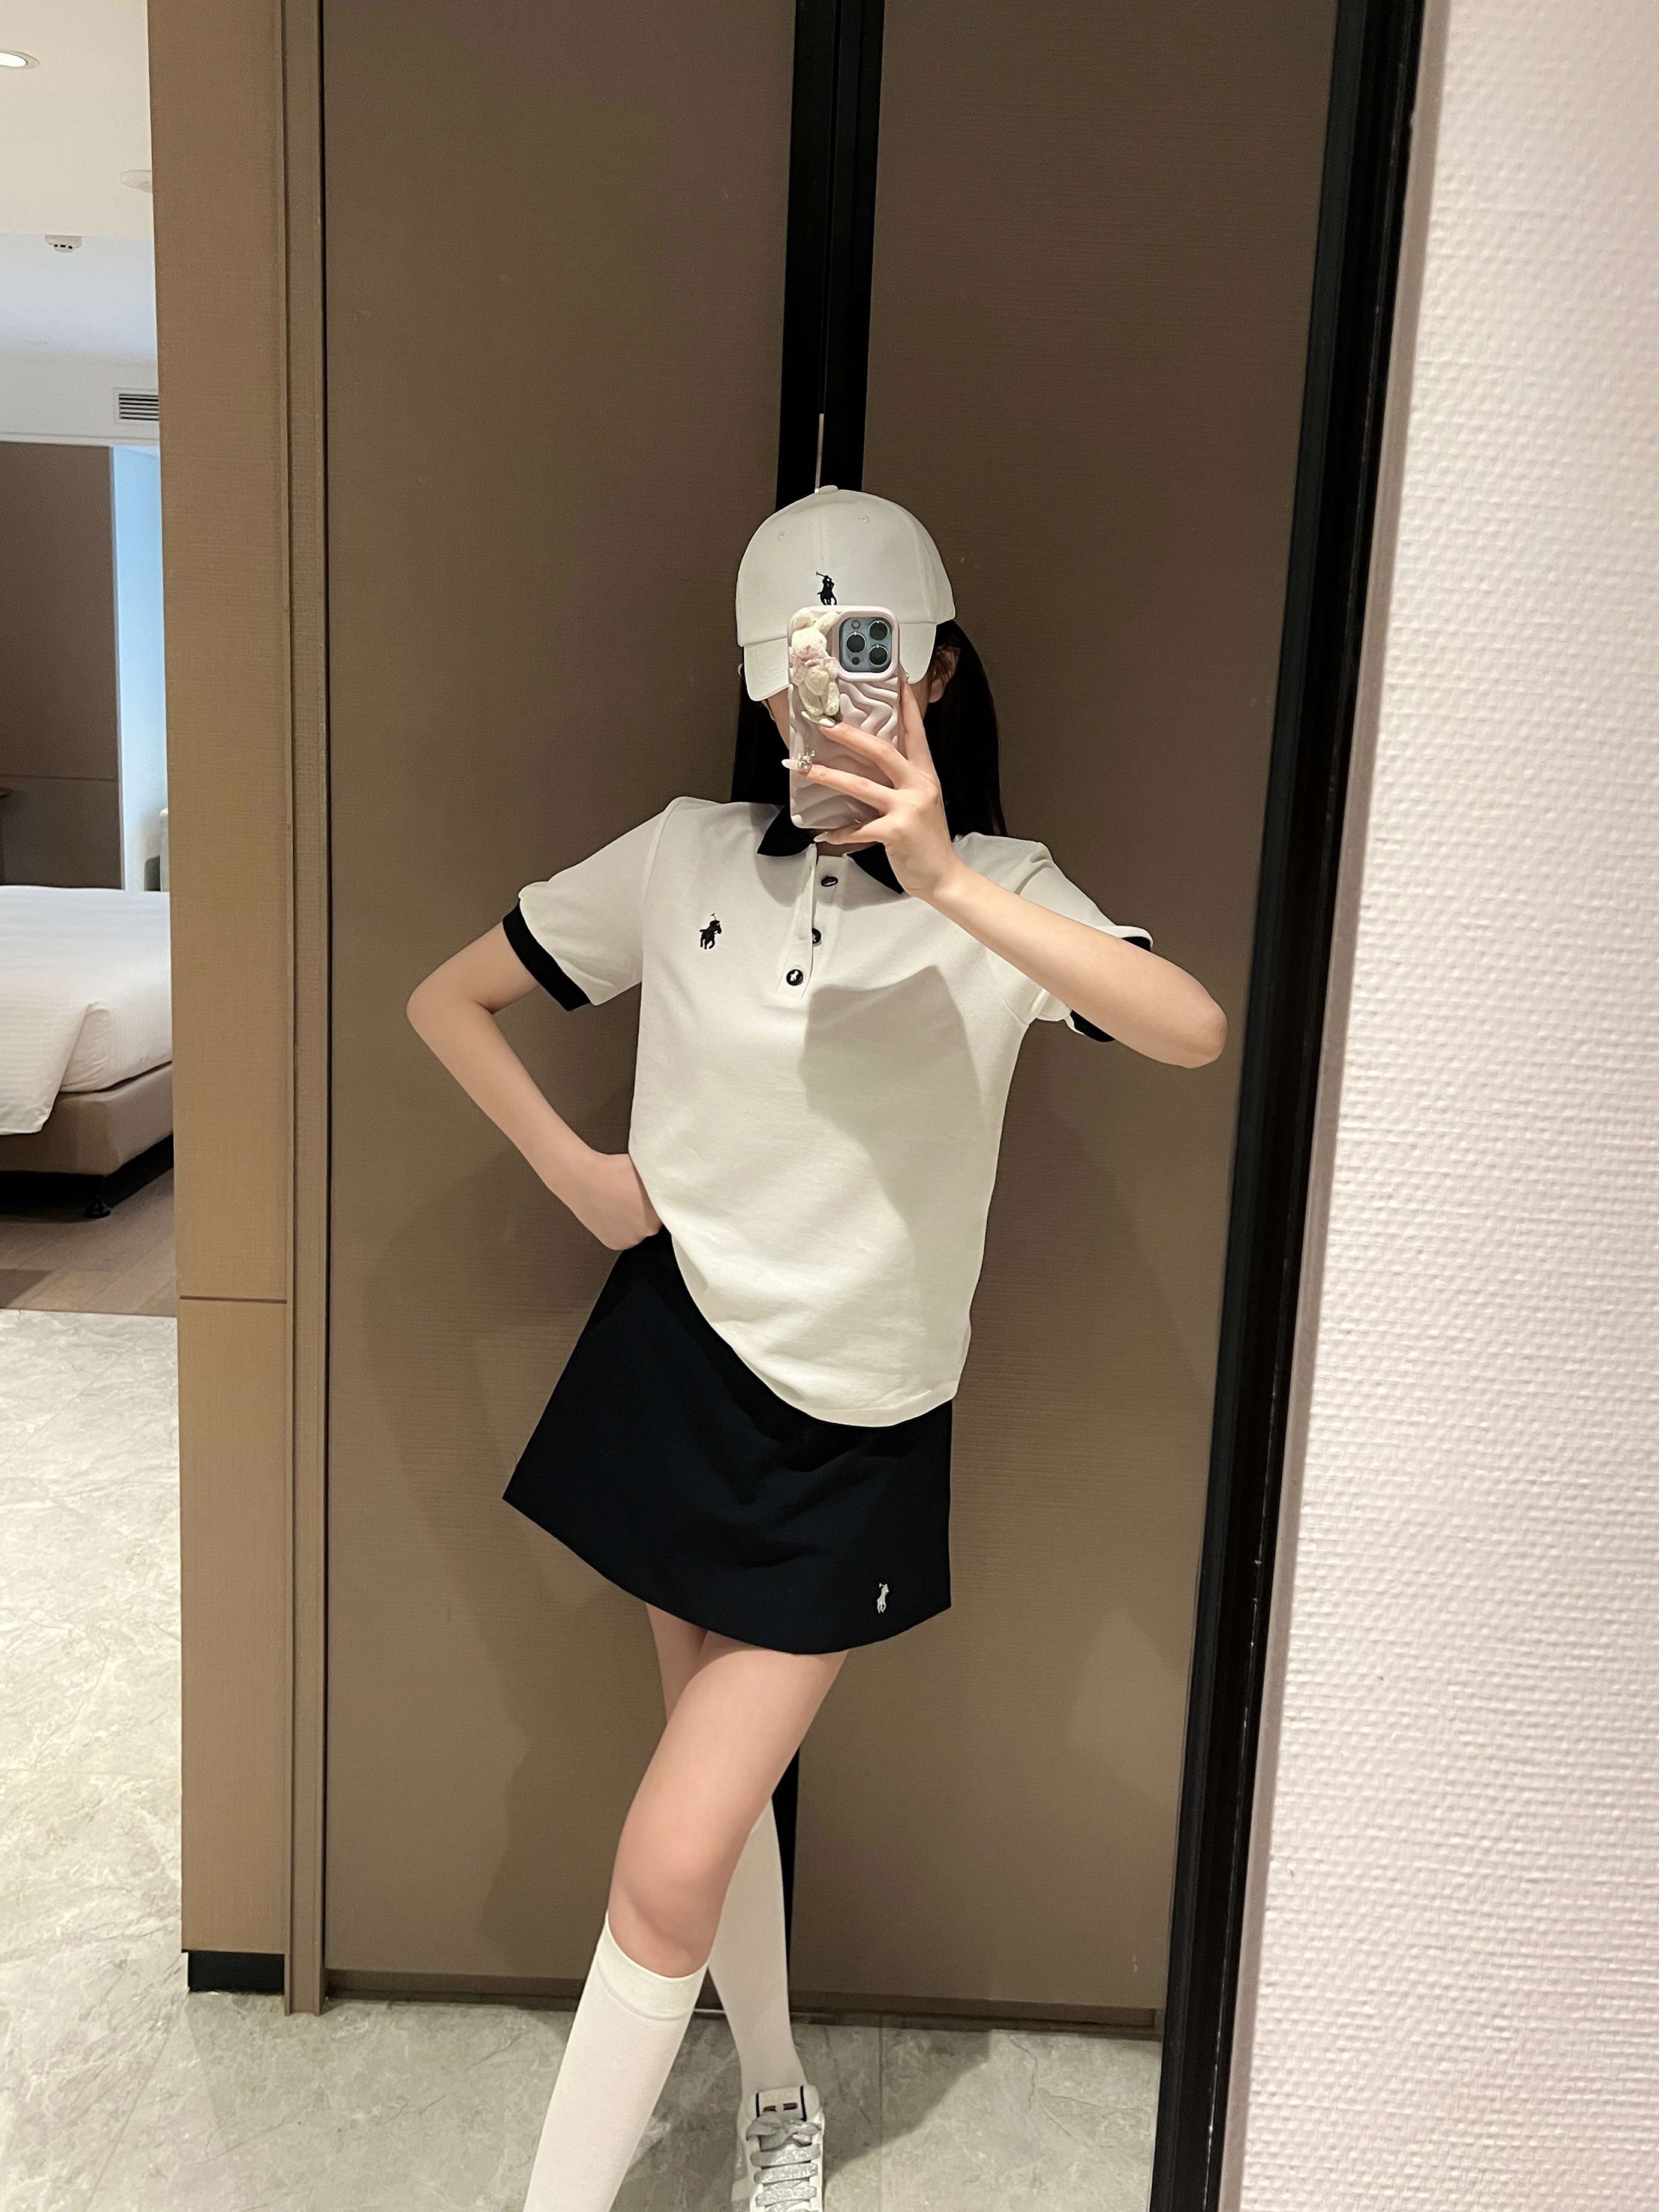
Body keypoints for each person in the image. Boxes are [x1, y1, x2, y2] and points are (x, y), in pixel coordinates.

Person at [406, 487, 1227, 2211]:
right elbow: (447, 998)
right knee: (704, 1818)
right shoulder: (685, 854)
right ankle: (777, 2089)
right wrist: (585, 1178)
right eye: (797, 675)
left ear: (936, 666)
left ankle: (704, 2129)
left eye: (866, 660)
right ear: (757, 682)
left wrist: (943, 874)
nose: (827, 705)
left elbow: (1188, 1029)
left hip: (856, 1423)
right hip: (676, 1358)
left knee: (673, 1845)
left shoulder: (1005, 892)